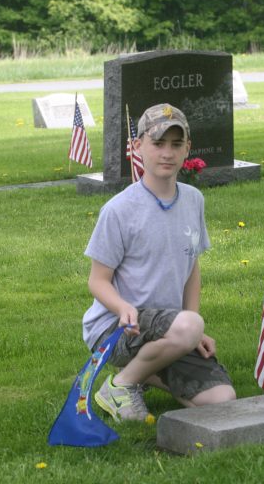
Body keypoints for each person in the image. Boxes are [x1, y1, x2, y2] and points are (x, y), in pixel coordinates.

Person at [83, 103, 236, 422]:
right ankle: (121, 385)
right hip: (116, 328)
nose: (167, 153)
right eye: (158, 143)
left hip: (170, 325)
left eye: (176, 144)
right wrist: (122, 308)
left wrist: (190, 331)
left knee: (222, 400)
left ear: (187, 149)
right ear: (137, 147)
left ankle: (144, 368)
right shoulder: (119, 210)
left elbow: (191, 265)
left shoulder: (194, 200)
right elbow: (97, 280)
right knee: (188, 325)